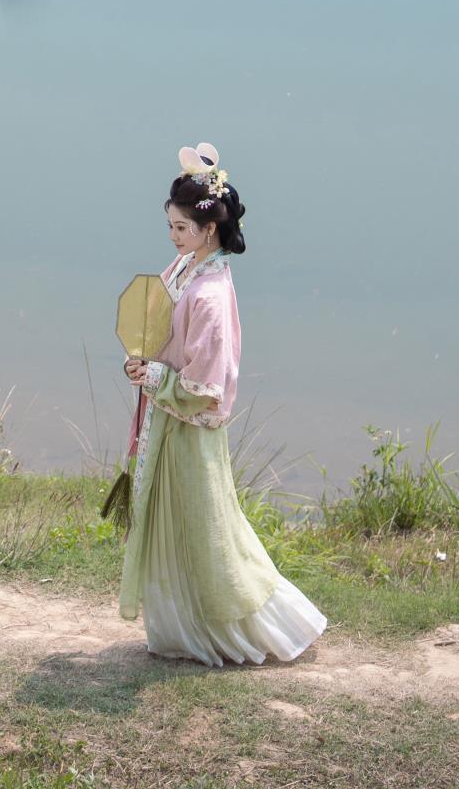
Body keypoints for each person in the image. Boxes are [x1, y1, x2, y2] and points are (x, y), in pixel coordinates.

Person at [118, 140, 327, 666]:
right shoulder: (187, 266)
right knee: (180, 524)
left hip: (188, 429)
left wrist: (155, 375)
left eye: (181, 228)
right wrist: (142, 362)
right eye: (169, 226)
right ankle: (179, 628)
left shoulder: (209, 294)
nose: (172, 237)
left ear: (209, 229)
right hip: (168, 420)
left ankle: (243, 627)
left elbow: (205, 386)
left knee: (207, 529)